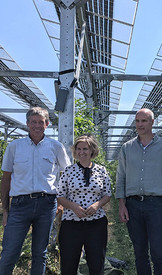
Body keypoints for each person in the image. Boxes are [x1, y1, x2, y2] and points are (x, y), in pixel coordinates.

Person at [0, 107, 71, 275]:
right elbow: (6, 178)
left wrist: (62, 201)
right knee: (10, 251)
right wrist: (5, 210)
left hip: (46, 204)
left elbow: (67, 174)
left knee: (40, 253)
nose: (37, 125)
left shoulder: (55, 147)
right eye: (33, 122)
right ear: (27, 124)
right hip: (20, 204)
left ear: (47, 124)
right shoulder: (15, 146)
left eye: (41, 122)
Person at [115, 108, 162, 275]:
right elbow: (121, 177)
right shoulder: (127, 148)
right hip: (133, 204)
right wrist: (121, 205)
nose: (140, 124)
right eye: (137, 121)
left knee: (158, 251)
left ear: (152, 122)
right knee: (140, 252)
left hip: (155, 204)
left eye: (144, 121)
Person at [57, 134, 112, 275]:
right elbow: (60, 195)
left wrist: (97, 205)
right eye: (78, 149)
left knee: (96, 263)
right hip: (72, 223)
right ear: (75, 151)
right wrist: (74, 207)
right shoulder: (69, 171)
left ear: (92, 150)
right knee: (69, 264)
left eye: (85, 149)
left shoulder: (101, 170)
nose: (82, 152)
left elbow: (107, 194)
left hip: (96, 224)